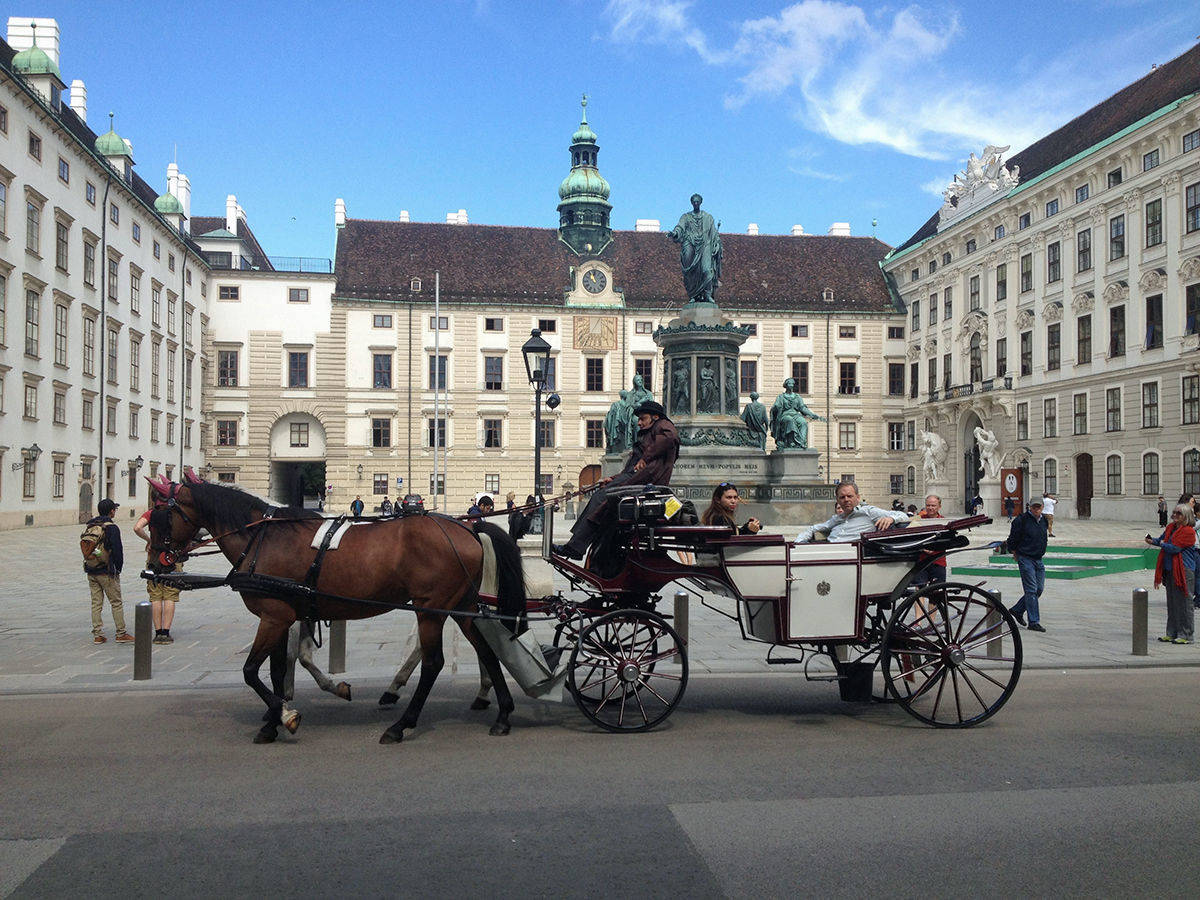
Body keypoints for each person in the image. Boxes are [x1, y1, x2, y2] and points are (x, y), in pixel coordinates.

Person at [553, 400, 680, 560]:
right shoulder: (650, 432)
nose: (639, 422)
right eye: (639, 419)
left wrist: (646, 458)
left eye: (643, 418)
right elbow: (631, 469)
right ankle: (581, 547)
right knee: (600, 498)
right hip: (638, 480)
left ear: (655, 417)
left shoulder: (663, 424)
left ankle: (576, 547)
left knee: (601, 499)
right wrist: (613, 479)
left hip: (647, 484)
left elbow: (671, 437)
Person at [83, 498, 132, 644]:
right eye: (114, 509)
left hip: (91, 570)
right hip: (107, 571)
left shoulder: (91, 525)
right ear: (111, 511)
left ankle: (98, 634)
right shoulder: (112, 528)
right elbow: (117, 550)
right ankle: (121, 633)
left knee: (96, 603)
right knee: (116, 602)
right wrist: (118, 568)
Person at [793, 482, 908, 543]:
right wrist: (797, 543)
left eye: (850, 496)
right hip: (828, 549)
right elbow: (813, 528)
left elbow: (903, 515)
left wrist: (891, 519)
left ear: (858, 497)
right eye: (842, 497)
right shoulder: (837, 518)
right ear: (838, 500)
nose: (846, 499)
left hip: (848, 556)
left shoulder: (868, 512)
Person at [1146, 504, 1197, 644]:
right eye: (1174, 512)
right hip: (1169, 570)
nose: (1174, 515)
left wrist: (1161, 543)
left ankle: (1186, 634)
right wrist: (1152, 541)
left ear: (1186, 516)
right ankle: (1172, 632)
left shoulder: (1188, 531)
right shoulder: (1170, 528)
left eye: (1178, 513)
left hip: (1184, 570)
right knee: (1172, 603)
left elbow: (1175, 548)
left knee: (1185, 603)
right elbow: (1163, 540)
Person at [134, 498, 182, 644]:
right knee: (170, 595)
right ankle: (166, 633)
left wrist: (149, 540)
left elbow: (137, 528)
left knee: (155, 596)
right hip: (172, 558)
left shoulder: (150, 514)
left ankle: (158, 632)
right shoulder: (176, 515)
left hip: (154, 557)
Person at [668, 193, 722, 303]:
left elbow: (714, 234)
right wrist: (675, 233)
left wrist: (716, 243)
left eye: (697, 201)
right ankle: (693, 294)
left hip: (705, 245)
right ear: (692, 203)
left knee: (707, 270)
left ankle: (707, 294)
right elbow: (680, 227)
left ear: (700, 202)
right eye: (694, 202)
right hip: (690, 243)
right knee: (690, 271)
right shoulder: (686, 217)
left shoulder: (708, 218)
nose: (696, 203)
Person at [1007, 498, 1048, 632]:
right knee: (1031, 590)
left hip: (1038, 559)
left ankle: (1017, 610)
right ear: (1029, 507)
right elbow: (1012, 538)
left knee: (1038, 589)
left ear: (1042, 507)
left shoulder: (1044, 520)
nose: (1036, 509)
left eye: (1039, 507)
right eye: (1034, 507)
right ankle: (1034, 621)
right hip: (1025, 558)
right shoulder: (1021, 520)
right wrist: (1014, 552)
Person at [913, 494, 948, 584]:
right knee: (919, 590)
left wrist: (934, 550)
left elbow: (947, 541)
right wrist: (923, 548)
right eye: (928, 505)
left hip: (938, 561)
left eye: (933, 505)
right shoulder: (918, 520)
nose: (930, 508)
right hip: (921, 561)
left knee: (937, 590)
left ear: (939, 506)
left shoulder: (944, 522)